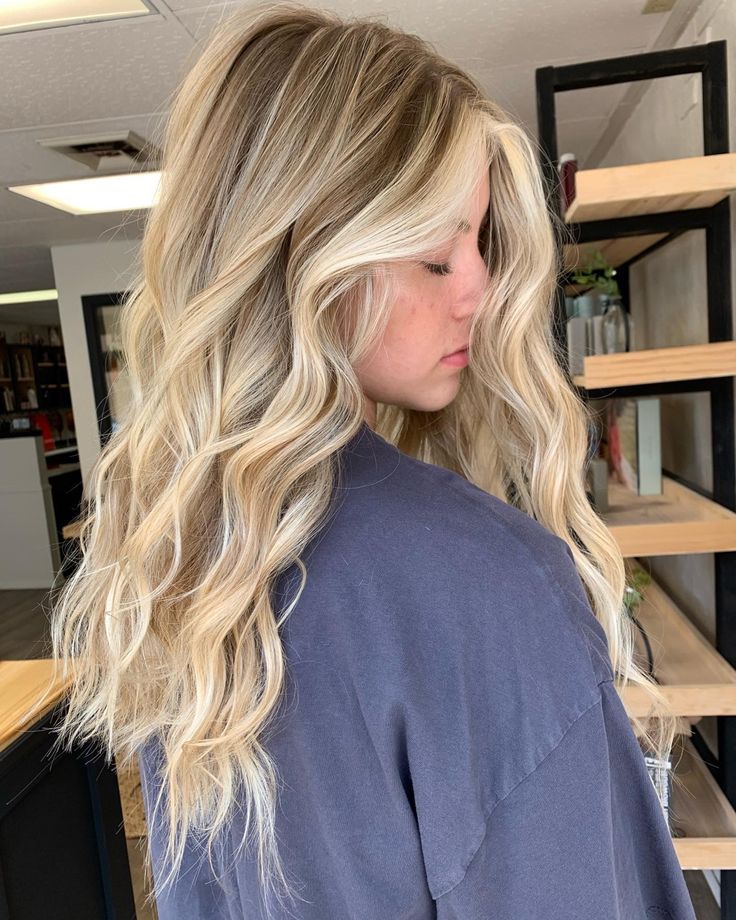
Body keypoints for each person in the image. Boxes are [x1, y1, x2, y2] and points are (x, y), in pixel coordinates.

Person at [48, 3, 697, 918]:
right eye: (437, 256)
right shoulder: (486, 582)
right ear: (308, 258)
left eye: (482, 242)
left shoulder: (190, 568)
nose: (479, 287)